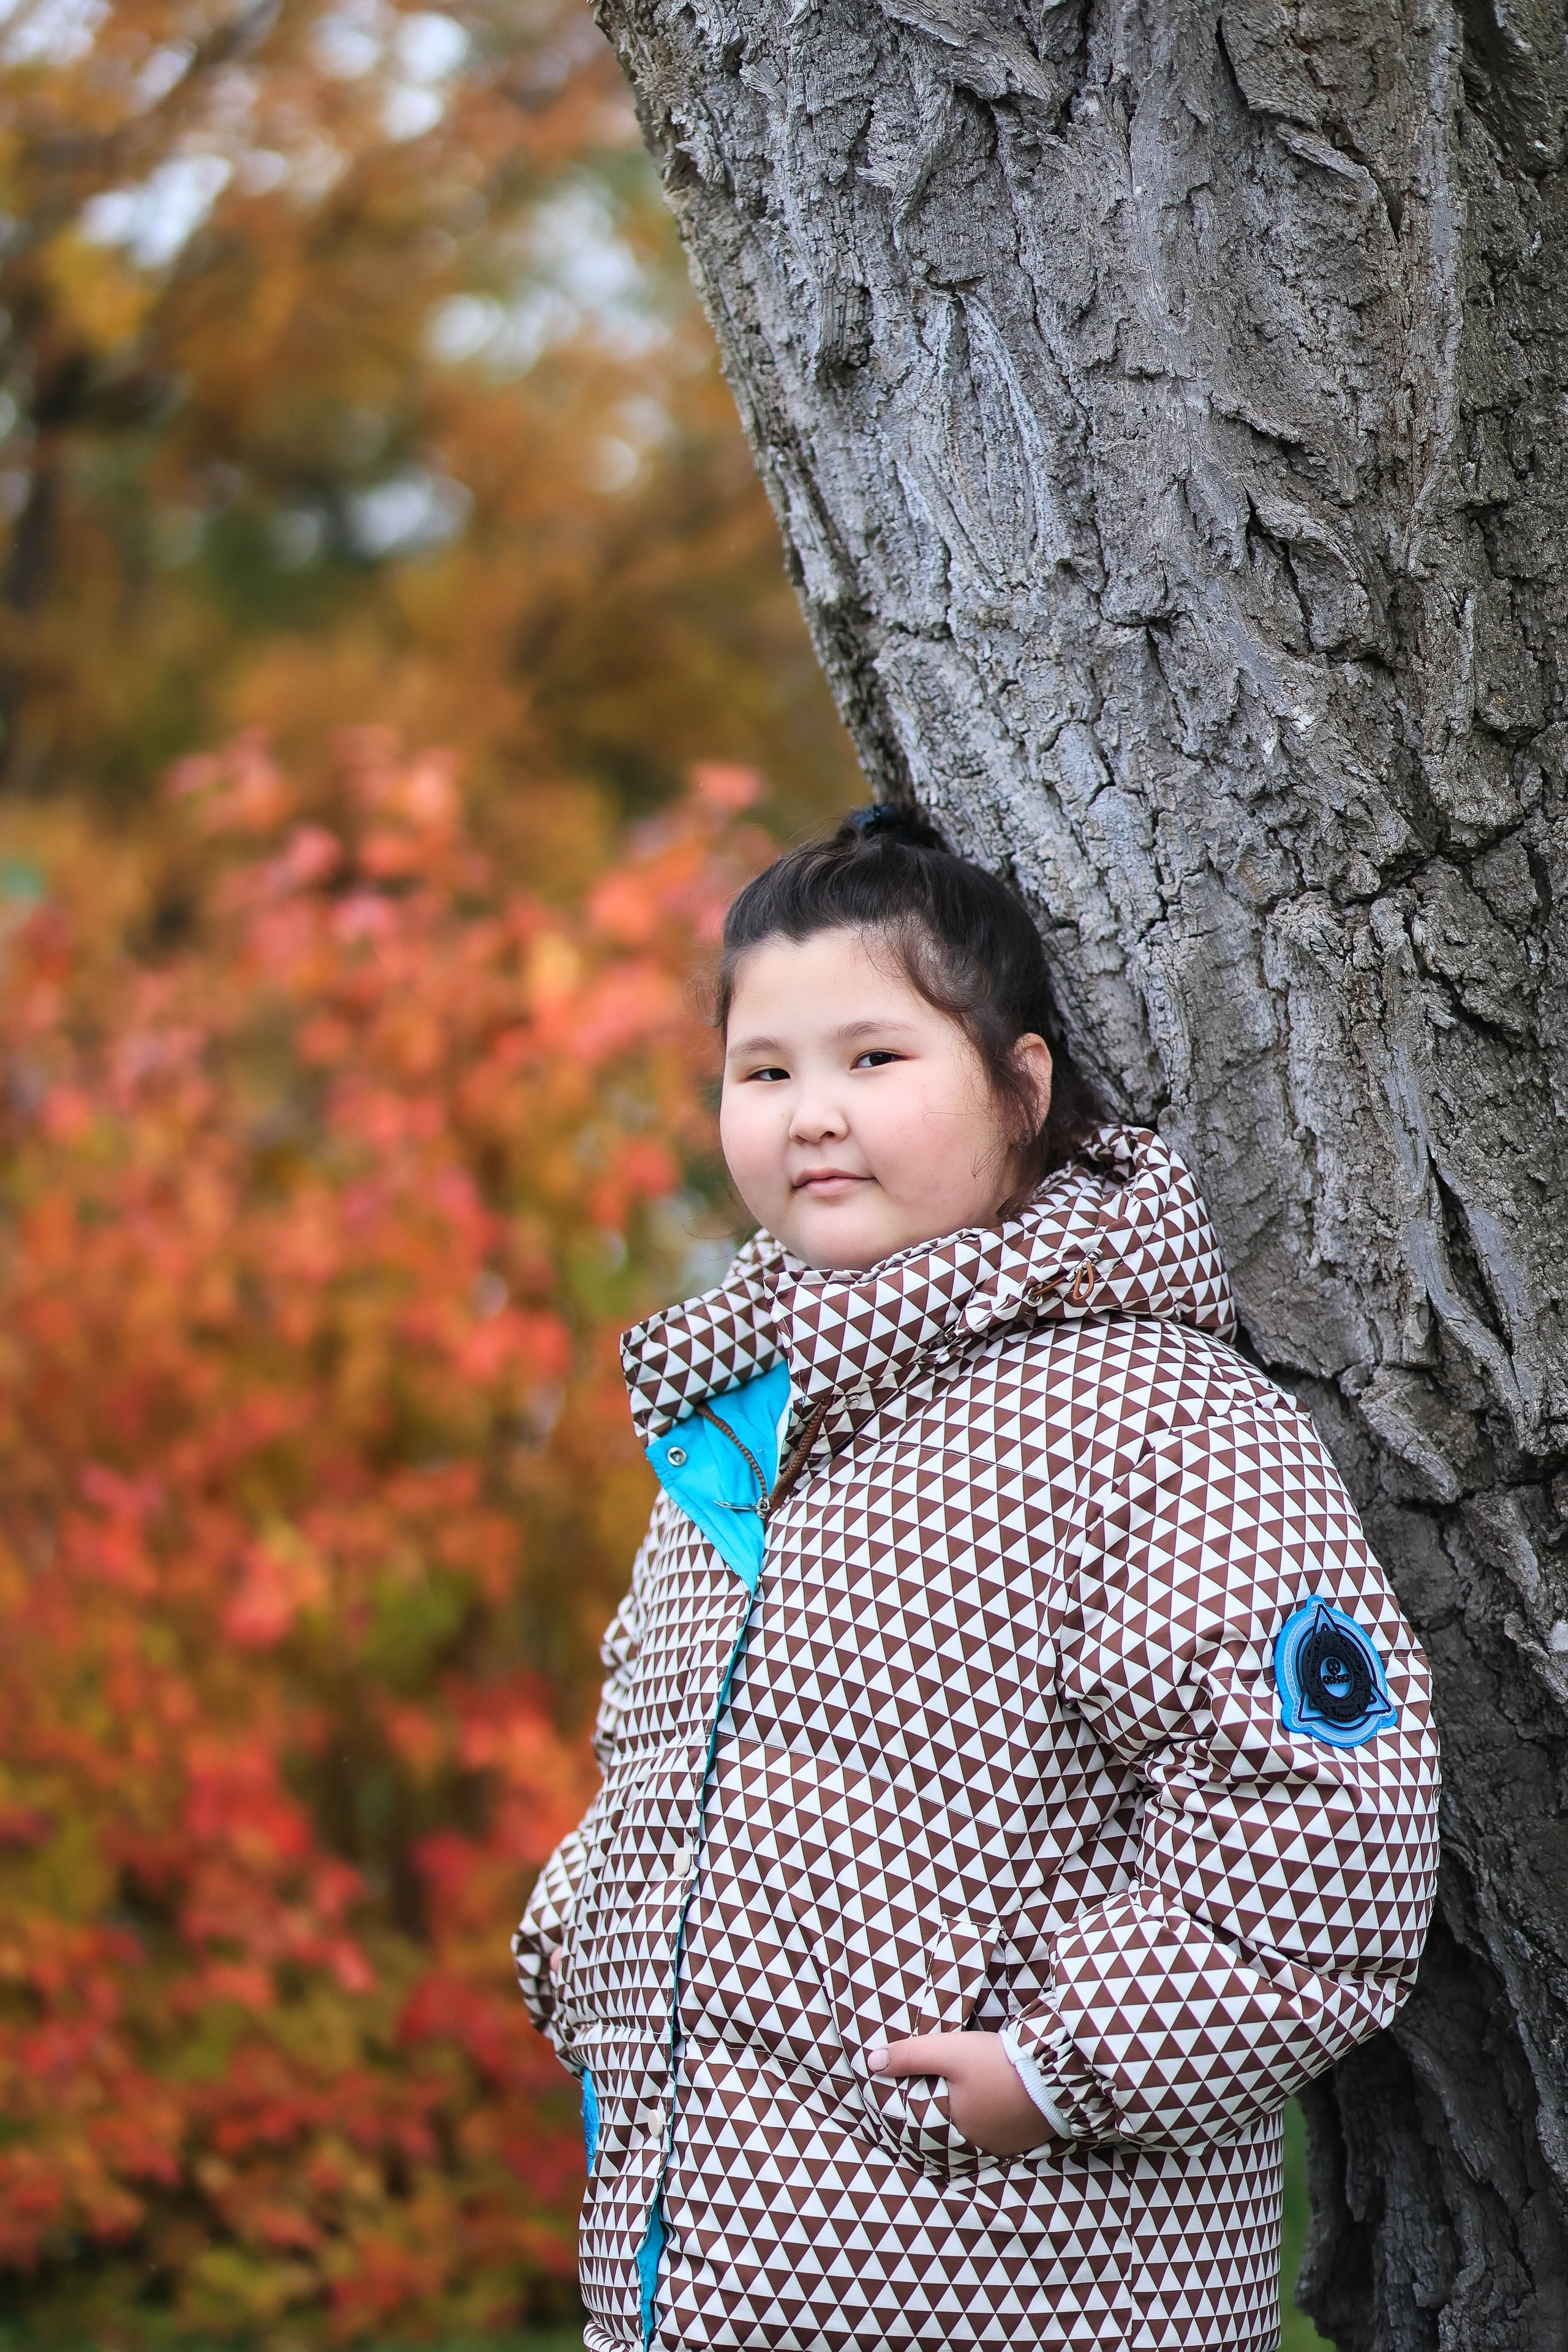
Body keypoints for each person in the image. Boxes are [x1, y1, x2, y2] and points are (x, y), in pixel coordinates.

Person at [513, 805, 1441, 2352]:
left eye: (875, 1059)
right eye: (764, 1071)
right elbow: (670, 1770)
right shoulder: (745, 1439)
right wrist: (583, 1939)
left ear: (1020, 1089)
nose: (812, 1112)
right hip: (704, 2284)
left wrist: (1057, 2067)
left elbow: (1324, 1837)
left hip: (1024, 2284)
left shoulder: (1146, 1419)